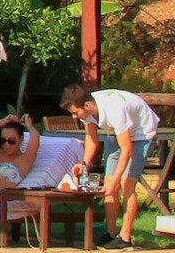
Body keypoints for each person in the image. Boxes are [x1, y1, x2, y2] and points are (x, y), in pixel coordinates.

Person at [64, 81, 163, 242]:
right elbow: (92, 139)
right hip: (119, 134)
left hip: (141, 134)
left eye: (75, 112)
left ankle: (125, 236)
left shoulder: (114, 109)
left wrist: (116, 179)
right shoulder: (86, 110)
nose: (74, 116)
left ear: (87, 105)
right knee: (108, 184)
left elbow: (127, 149)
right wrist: (84, 164)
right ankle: (109, 233)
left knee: (125, 183)